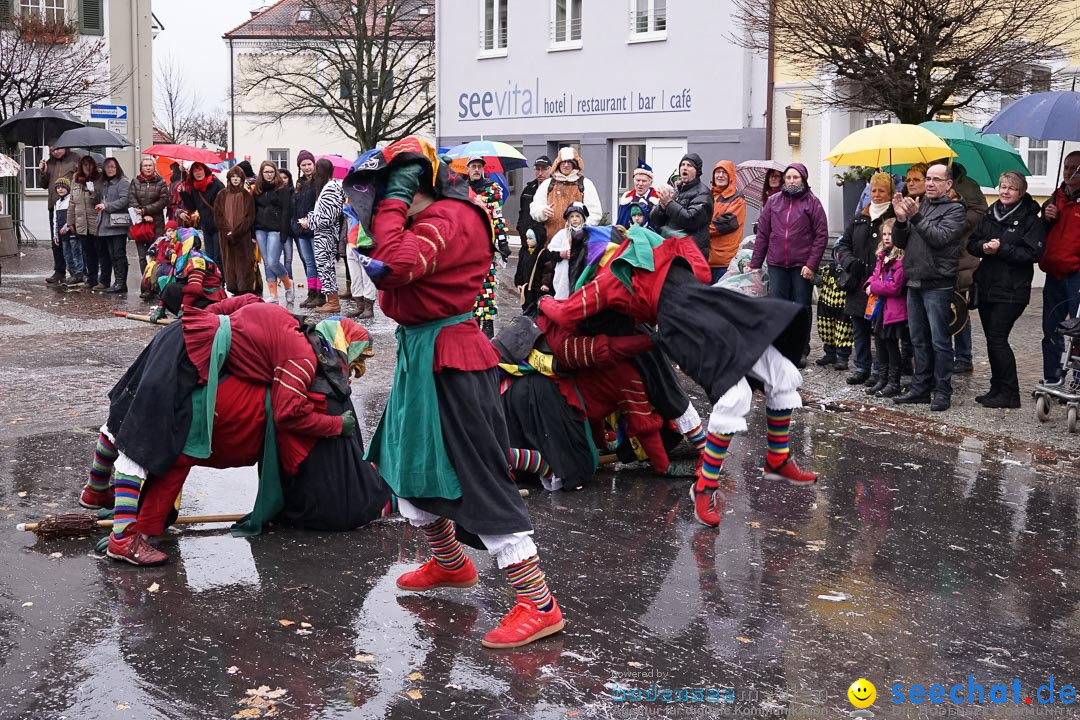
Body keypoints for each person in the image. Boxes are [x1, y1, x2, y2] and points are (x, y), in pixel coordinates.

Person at [361, 139, 565, 649]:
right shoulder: (434, 219)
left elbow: (398, 263)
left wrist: (395, 200)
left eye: (391, 193)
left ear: (412, 185)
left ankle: (538, 604)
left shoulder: (452, 218)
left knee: (478, 478)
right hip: (423, 357)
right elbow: (396, 282)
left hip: (451, 359)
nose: (384, 206)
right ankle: (451, 564)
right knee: (409, 467)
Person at [539, 225, 817, 529]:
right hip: (686, 322)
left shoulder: (618, 273)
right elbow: (700, 270)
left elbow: (566, 313)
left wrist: (544, 303)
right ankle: (705, 487)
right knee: (736, 395)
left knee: (783, 374)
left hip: (709, 307)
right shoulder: (651, 254)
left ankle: (778, 458)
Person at [77, 298, 370, 564]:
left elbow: (235, 303)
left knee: (122, 419)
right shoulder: (300, 355)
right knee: (141, 441)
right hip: (191, 354)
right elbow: (288, 413)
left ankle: (97, 491)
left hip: (182, 336)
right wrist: (335, 425)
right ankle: (124, 537)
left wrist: (199, 322)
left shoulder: (279, 315)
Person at [890, 163, 967, 411]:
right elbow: (901, 242)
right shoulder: (918, 206)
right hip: (915, 281)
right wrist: (901, 220)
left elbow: (939, 238)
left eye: (936, 179)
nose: (930, 183)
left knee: (940, 341)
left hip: (938, 283)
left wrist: (914, 217)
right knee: (918, 340)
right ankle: (920, 388)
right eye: (928, 179)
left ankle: (942, 391)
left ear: (948, 184)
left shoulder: (955, 210)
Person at [967, 171, 1046, 408]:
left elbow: (1034, 254)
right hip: (988, 285)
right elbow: (972, 243)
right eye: (1002, 187)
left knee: (998, 339)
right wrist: (984, 247)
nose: (1005, 191)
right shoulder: (991, 213)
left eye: (1011, 188)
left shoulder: (1030, 218)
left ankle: (1011, 393)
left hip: (1013, 289)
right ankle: (997, 387)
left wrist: (1002, 249)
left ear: (1020, 192)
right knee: (992, 340)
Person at [749, 163, 828, 367]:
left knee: (801, 307)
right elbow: (763, 235)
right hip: (777, 263)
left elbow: (821, 236)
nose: (791, 181)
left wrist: (812, 264)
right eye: (789, 177)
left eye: (796, 177)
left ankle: (801, 349)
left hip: (801, 265)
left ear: (803, 179)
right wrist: (755, 263)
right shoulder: (774, 202)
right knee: (778, 307)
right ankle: (780, 348)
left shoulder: (813, 203)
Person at [835, 172, 896, 389]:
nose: (877, 195)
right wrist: (850, 262)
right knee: (859, 327)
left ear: (890, 193)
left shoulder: (893, 217)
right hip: (858, 280)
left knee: (879, 329)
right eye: (874, 191)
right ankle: (862, 367)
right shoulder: (860, 216)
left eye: (882, 191)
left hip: (880, 282)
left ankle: (880, 370)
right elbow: (844, 244)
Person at [934, 160, 988, 375]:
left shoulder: (969, 185)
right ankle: (941, 354)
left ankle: (964, 356)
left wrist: (959, 219)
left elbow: (980, 212)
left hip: (962, 256)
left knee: (959, 308)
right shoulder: (932, 183)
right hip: (937, 257)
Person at [1040, 151, 1080, 385]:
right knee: (1051, 328)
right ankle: (1052, 377)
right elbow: (1040, 235)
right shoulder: (1055, 198)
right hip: (1054, 273)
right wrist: (1046, 218)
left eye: (1075, 167)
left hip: (1076, 274)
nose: (1069, 172)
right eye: (1066, 167)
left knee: (1077, 331)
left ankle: (1077, 380)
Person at [466, 154, 512, 337]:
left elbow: (498, 218)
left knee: (486, 285)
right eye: (473, 166)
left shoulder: (492, 189)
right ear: (467, 169)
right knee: (468, 286)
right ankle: (470, 322)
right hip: (466, 245)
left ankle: (487, 324)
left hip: (486, 245)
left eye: (479, 166)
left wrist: (503, 242)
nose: (477, 170)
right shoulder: (461, 189)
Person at [866, 218, 909, 397]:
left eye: (890, 234)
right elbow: (874, 276)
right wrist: (869, 284)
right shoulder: (882, 257)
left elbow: (894, 287)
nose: (886, 238)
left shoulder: (900, 260)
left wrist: (874, 287)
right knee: (880, 343)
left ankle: (893, 381)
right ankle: (882, 378)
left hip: (894, 310)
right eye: (884, 234)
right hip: (880, 308)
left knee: (891, 345)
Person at [530, 146, 602, 243]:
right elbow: (534, 208)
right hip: (550, 243)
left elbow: (595, 213)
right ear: (558, 164)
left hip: (578, 243)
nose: (566, 165)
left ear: (575, 164)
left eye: (569, 162)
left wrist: (582, 229)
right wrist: (542, 211)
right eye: (563, 162)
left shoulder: (585, 184)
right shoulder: (548, 184)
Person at [652, 153, 714, 262]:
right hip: (673, 249)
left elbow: (690, 220)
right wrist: (662, 207)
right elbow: (656, 221)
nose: (684, 167)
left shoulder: (703, 194)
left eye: (689, 165)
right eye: (682, 164)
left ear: (697, 171)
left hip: (692, 253)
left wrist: (669, 204)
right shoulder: (676, 191)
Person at [302, 158, 345, 313]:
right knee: (324, 267)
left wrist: (310, 221)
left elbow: (327, 218)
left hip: (325, 235)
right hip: (326, 234)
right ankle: (331, 300)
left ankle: (333, 302)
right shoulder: (331, 187)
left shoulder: (330, 189)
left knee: (325, 268)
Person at [253, 160, 295, 305]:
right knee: (266, 263)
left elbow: (286, 211)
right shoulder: (257, 189)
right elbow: (253, 210)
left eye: (271, 172)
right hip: (260, 229)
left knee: (272, 261)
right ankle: (273, 294)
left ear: (275, 173)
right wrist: (253, 233)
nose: (269, 175)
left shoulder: (282, 189)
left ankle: (288, 283)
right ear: (261, 173)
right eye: (266, 172)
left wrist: (284, 231)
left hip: (275, 229)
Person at [39, 144, 81, 285]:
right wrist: (43, 172)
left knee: (73, 241)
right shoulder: (49, 162)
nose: (55, 152)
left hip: (71, 205)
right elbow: (44, 185)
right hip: (55, 205)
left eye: (58, 148)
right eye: (52, 149)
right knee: (56, 240)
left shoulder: (75, 158)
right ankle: (59, 271)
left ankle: (77, 271)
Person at [213, 166, 257, 295]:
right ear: (229, 179)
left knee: (244, 261)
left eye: (238, 177)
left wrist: (237, 232)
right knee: (229, 261)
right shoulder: (222, 194)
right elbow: (218, 214)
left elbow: (249, 216)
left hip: (242, 235)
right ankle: (232, 286)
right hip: (225, 235)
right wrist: (227, 230)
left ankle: (245, 289)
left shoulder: (246, 195)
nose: (236, 179)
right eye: (233, 177)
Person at [127, 157, 169, 284]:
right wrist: (142, 212)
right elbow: (131, 198)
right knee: (142, 257)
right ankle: (145, 282)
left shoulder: (161, 182)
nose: (148, 167)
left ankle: (155, 283)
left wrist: (147, 210)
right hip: (140, 224)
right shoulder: (135, 182)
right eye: (145, 165)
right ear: (141, 168)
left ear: (154, 167)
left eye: (150, 165)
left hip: (156, 224)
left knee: (155, 256)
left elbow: (163, 200)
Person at [94, 158, 132, 294]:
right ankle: (116, 282)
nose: (110, 169)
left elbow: (124, 200)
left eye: (113, 167)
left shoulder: (122, 182)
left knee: (119, 254)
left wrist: (108, 206)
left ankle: (121, 283)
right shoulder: (104, 183)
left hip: (117, 224)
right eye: (107, 167)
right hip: (105, 224)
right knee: (111, 255)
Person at [177, 162, 225, 265]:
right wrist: (183, 193)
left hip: (218, 226)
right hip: (206, 226)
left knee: (218, 257)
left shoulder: (216, 184)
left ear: (205, 170)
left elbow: (224, 204)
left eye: (200, 169)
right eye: (195, 171)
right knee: (209, 257)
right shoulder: (195, 187)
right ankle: (213, 279)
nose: (198, 173)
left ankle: (221, 281)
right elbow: (193, 206)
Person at [707, 160, 746, 282]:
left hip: (724, 261)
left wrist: (699, 228)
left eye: (724, 173)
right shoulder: (708, 196)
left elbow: (726, 223)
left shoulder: (737, 199)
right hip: (706, 258)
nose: (720, 175)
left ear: (731, 176)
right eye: (717, 172)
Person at [292, 151, 322, 308]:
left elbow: (319, 205)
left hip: (314, 227)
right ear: (300, 167)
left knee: (318, 261)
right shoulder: (299, 184)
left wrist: (311, 220)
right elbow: (295, 206)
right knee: (309, 262)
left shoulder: (319, 183)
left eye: (309, 164)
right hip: (301, 229)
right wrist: (295, 224)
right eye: (303, 165)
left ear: (314, 164)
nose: (307, 167)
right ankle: (312, 293)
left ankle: (320, 293)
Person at [544, 202, 589, 300]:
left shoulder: (587, 233)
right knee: (563, 293)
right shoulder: (562, 234)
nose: (575, 219)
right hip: (564, 271)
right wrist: (561, 254)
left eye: (578, 216)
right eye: (572, 216)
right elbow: (550, 251)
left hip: (581, 268)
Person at [70, 156, 102, 289]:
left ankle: (101, 278)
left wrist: (92, 192)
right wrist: (70, 221)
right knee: (87, 252)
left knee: (99, 251)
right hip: (81, 222)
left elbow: (99, 199)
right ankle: (90, 278)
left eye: (90, 164)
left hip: (95, 220)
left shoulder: (99, 179)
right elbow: (72, 202)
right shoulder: (75, 180)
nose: (87, 167)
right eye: (84, 165)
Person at [51, 177, 83, 284]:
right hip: (62, 235)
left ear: (68, 188)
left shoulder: (71, 200)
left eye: (63, 187)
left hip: (72, 232)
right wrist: (55, 235)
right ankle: (73, 273)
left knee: (76, 252)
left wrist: (67, 226)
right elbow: (55, 219)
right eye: (58, 187)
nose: (60, 189)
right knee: (67, 254)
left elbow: (73, 215)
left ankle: (79, 273)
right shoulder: (57, 203)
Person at [616, 161, 660, 231]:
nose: (640, 184)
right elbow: (620, 225)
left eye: (644, 181)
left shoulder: (657, 200)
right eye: (638, 180)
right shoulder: (626, 199)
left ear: (650, 183)